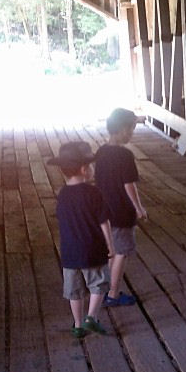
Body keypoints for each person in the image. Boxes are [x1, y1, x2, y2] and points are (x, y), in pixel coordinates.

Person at [49, 141, 114, 337]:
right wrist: (110, 245)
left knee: (74, 291)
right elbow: (104, 222)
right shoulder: (94, 193)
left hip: (70, 252)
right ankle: (91, 317)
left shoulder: (62, 195)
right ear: (85, 169)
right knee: (98, 284)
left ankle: (77, 325)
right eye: (91, 165)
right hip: (93, 249)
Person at [95, 107, 147, 307]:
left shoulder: (101, 151)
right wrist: (139, 208)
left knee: (112, 250)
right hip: (121, 211)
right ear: (122, 129)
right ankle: (113, 294)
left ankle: (106, 290)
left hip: (104, 209)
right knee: (121, 253)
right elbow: (129, 185)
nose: (132, 133)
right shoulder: (125, 155)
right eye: (131, 129)